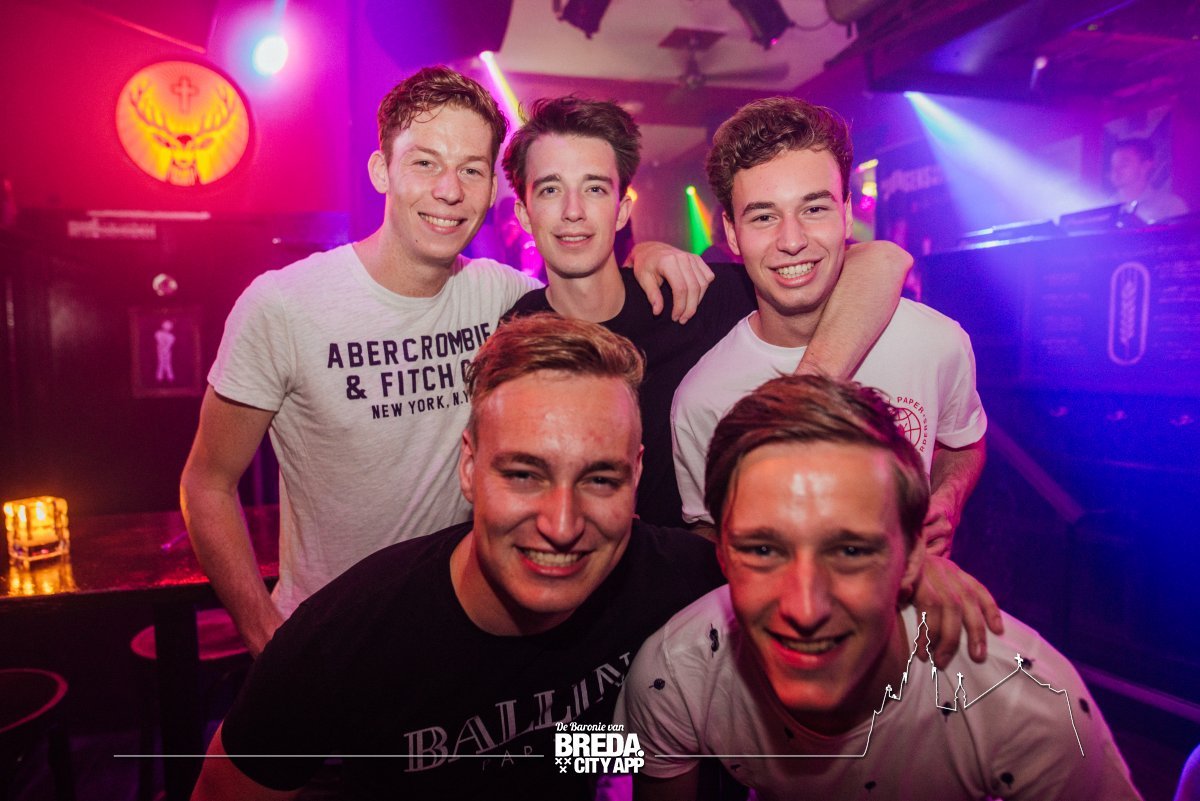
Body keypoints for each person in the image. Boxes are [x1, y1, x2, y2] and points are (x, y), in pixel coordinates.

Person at [179, 67, 714, 656]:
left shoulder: (505, 299)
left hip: (469, 642)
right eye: (425, 163)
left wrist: (648, 255)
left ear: (491, 190)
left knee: (577, 715)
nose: (450, 191)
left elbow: (584, 285)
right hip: (331, 643)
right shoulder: (283, 306)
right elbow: (207, 482)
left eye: (472, 170)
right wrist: (265, 636)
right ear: (382, 170)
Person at [190, 314, 726, 800]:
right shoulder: (345, 642)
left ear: (636, 474)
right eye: (523, 474)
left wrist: (628, 755)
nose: (562, 526)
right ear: (469, 468)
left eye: (600, 479)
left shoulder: (674, 582)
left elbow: (584, 750)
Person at [619, 375, 1143, 801]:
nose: (805, 607)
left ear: (913, 558)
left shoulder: (1026, 701)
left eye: (850, 552)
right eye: (762, 550)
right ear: (723, 554)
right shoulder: (677, 672)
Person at [501, 95, 912, 527]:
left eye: (595, 188)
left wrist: (804, 397)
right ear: (524, 214)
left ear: (621, 210)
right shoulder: (518, 336)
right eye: (550, 189)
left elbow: (881, 260)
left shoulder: (689, 295)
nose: (573, 211)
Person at [673, 97, 987, 563]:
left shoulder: (937, 342)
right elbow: (709, 532)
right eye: (764, 216)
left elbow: (964, 442)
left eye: (814, 209)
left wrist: (948, 497)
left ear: (846, 213)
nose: (792, 240)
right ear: (732, 233)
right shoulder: (702, 398)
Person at [1109, 137, 1188, 224]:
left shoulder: (1170, 206)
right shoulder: (1106, 206)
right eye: (1113, 164)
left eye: (1123, 164)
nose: (1115, 170)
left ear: (1145, 166)